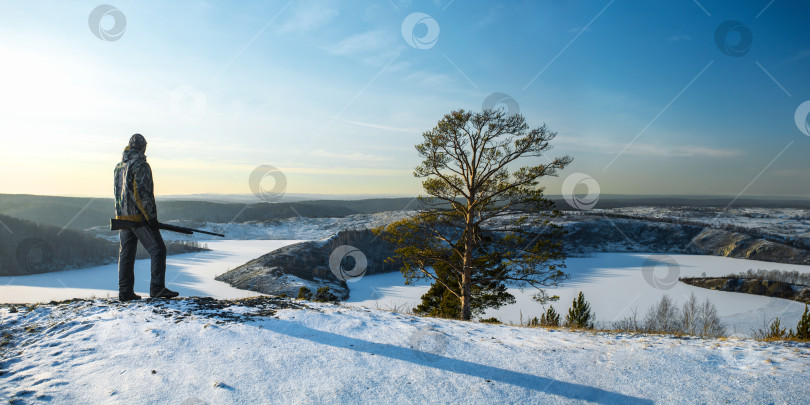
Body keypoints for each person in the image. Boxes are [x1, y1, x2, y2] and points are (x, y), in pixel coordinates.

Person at [113, 134, 179, 300]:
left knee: (126, 255)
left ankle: (125, 291)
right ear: (143, 147)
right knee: (158, 249)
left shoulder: (119, 166)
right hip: (138, 218)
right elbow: (143, 194)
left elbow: (118, 193)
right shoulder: (141, 165)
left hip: (123, 217)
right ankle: (157, 288)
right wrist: (151, 218)